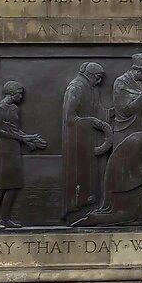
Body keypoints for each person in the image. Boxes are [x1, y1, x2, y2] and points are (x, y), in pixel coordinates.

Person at [0, 81, 47, 228]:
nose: (21, 96)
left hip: (14, 148)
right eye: (19, 93)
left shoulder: (14, 109)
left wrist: (29, 138)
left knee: (13, 186)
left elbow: (15, 129)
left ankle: (5, 219)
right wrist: (23, 138)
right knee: (1, 186)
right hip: (2, 149)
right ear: (11, 93)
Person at [61, 62, 112, 222]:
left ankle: (88, 208)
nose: (99, 81)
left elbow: (99, 110)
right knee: (79, 175)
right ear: (89, 74)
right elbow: (69, 118)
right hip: (76, 140)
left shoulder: (92, 89)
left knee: (91, 175)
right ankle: (73, 209)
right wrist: (91, 122)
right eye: (98, 78)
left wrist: (113, 113)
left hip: (90, 138)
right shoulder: (75, 87)